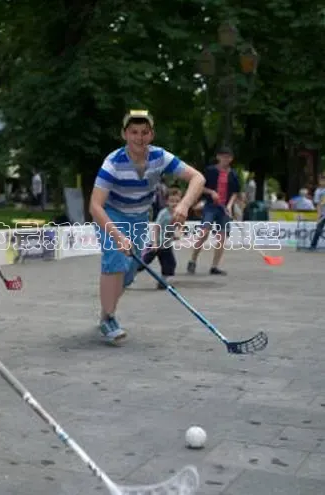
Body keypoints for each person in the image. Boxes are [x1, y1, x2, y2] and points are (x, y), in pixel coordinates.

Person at [90, 110, 205, 345]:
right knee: (115, 259)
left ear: (151, 135)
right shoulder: (113, 163)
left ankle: (105, 314)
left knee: (130, 270)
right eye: (133, 132)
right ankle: (109, 318)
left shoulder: (160, 157)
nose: (139, 138)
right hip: (112, 215)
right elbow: (94, 205)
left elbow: (198, 178)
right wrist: (117, 236)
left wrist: (183, 205)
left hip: (140, 217)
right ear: (124, 134)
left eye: (144, 132)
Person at [187, 146, 241, 276]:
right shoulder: (210, 171)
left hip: (224, 209)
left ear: (231, 159)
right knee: (204, 233)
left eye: (228, 157)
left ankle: (214, 266)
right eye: (223, 156)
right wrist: (211, 192)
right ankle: (193, 260)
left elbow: (235, 192)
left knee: (222, 238)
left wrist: (229, 205)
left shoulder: (233, 174)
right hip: (211, 206)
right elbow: (200, 186)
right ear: (218, 157)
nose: (225, 159)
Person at [138, 187, 183, 289]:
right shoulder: (164, 213)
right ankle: (126, 278)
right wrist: (154, 243)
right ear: (167, 201)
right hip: (155, 243)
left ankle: (162, 282)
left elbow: (180, 226)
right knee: (143, 263)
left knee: (170, 264)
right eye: (172, 201)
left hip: (166, 245)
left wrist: (178, 234)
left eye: (177, 201)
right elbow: (156, 228)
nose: (174, 204)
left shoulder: (179, 214)